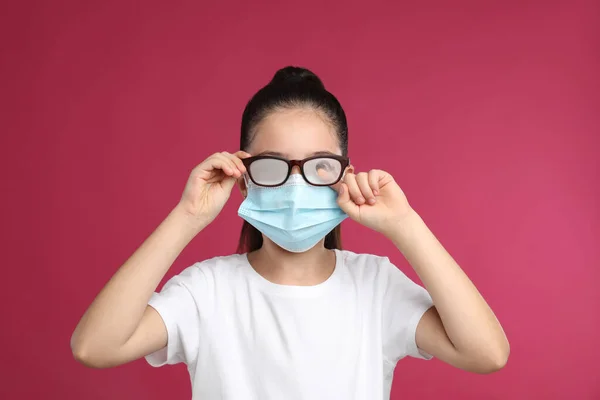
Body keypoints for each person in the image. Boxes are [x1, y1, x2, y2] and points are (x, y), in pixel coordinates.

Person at [71, 66, 509, 399]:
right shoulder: (207, 291)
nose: (296, 184)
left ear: (344, 176)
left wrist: (405, 224)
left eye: (320, 166)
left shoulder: (376, 287)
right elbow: (95, 347)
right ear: (244, 177)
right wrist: (188, 215)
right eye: (273, 165)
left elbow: (487, 353)